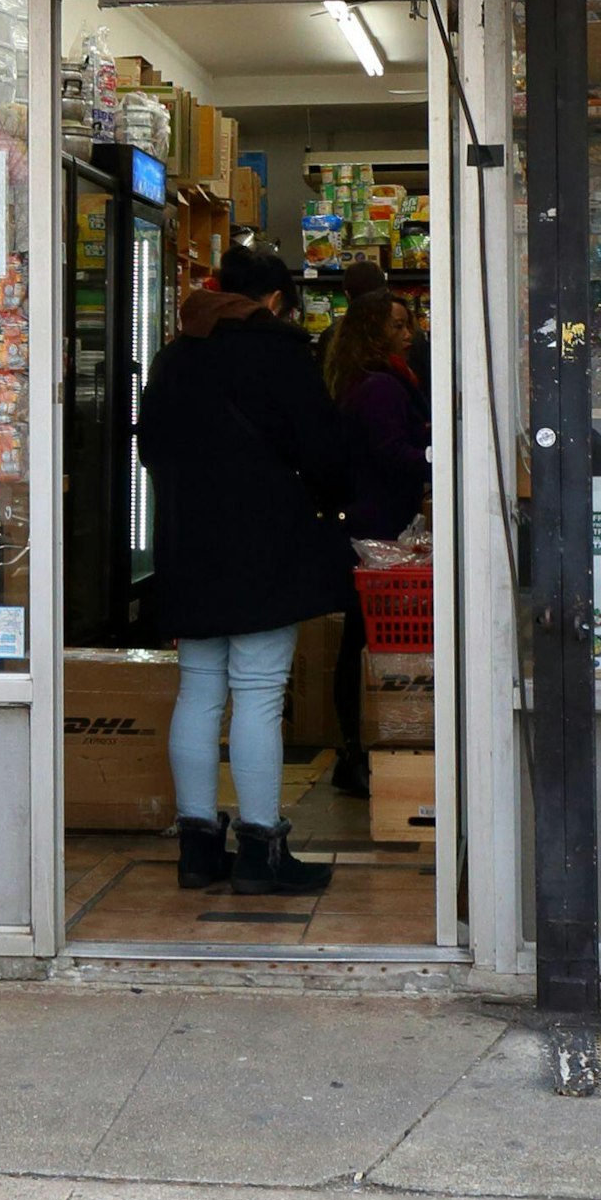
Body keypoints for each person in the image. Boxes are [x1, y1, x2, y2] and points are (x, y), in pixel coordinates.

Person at [136, 241, 352, 893]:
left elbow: (148, 450)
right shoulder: (280, 353)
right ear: (277, 299)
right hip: (262, 544)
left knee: (199, 689)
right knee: (258, 691)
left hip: (186, 542)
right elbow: (322, 451)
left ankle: (198, 848)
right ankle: (261, 850)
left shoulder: (173, 357)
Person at [317, 284, 430, 796]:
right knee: (370, 639)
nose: (409, 335)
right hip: (380, 529)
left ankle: (356, 749)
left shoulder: (365, 380)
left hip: (372, 521)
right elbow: (391, 452)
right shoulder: (382, 387)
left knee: (363, 639)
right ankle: (362, 749)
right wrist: (436, 458)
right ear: (372, 332)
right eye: (398, 326)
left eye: (409, 324)